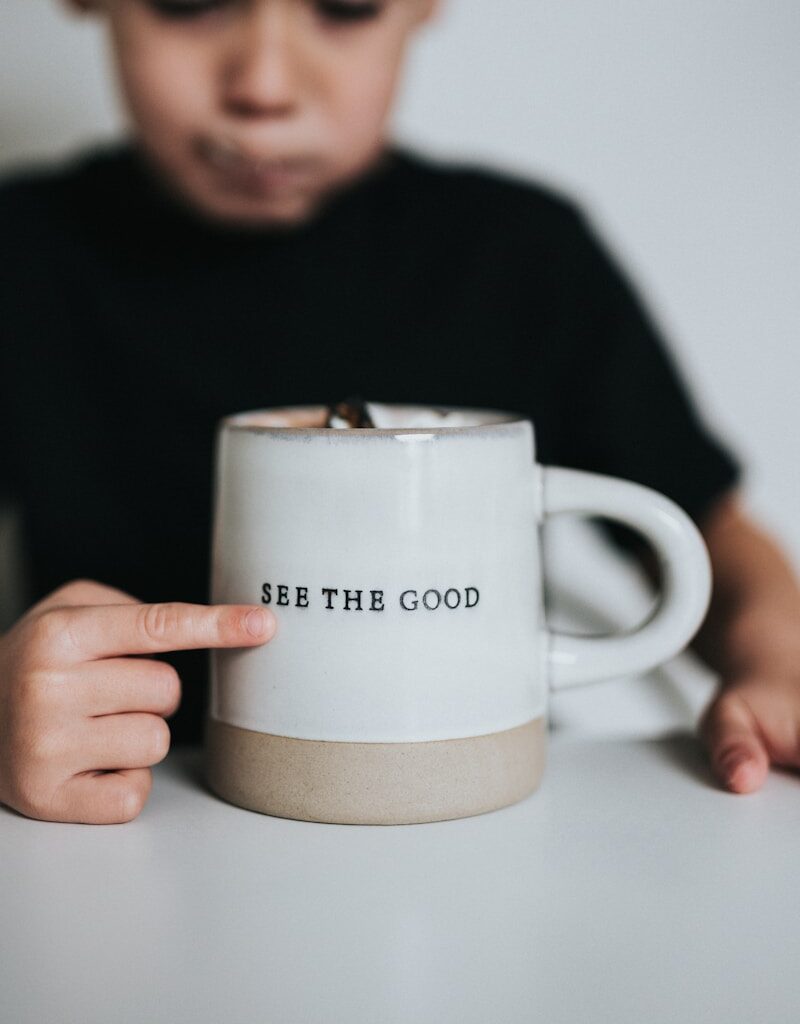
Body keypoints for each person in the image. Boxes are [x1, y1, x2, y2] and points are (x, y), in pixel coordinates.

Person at [1, 0, 798, 825]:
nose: (265, 86)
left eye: (346, 10)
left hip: (493, 814)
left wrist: (781, 661)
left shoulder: (522, 255)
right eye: (188, 5)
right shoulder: (22, 257)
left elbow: (706, 531)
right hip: (140, 821)